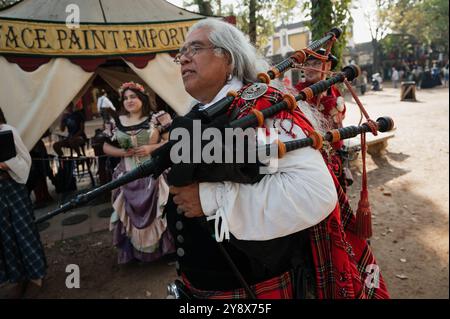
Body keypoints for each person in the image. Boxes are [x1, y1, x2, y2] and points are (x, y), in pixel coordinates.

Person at [166, 18, 389, 299]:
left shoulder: (263, 106)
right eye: (181, 53)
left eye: (195, 48)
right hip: (200, 284)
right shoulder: (195, 114)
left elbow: (313, 192)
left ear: (230, 59)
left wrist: (210, 199)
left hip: (256, 286)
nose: (184, 58)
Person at [102, 82, 175, 264]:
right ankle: (136, 254)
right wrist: (122, 152)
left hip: (154, 173)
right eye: (125, 98)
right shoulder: (116, 122)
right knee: (129, 215)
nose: (129, 101)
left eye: (133, 96)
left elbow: (171, 141)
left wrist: (151, 147)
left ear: (142, 98)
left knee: (160, 211)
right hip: (127, 175)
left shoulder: (158, 118)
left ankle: (165, 252)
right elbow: (105, 146)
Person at [0, 107, 47, 298]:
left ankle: (36, 276)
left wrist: (5, 164)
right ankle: (17, 278)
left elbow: (24, 160)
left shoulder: (7, 131)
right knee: (5, 236)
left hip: (13, 186)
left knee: (23, 230)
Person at [294, 50, 350, 191]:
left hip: (336, 153)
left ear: (328, 66)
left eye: (317, 63)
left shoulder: (333, 90)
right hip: (313, 156)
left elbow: (341, 115)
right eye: (307, 64)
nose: (310, 68)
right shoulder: (297, 92)